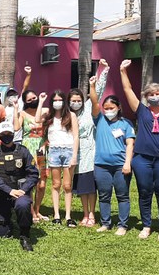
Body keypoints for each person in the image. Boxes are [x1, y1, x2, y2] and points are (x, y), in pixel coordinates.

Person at [119, 60, 159, 241]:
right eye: (151, 94)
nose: (155, 96)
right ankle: (146, 226)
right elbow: (127, 90)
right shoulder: (141, 111)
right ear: (147, 97)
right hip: (142, 160)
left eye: (158, 93)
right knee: (144, 192)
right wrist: (123, 71)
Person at [0, 122, 39, 251]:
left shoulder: (23, 151)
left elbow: (33, 174)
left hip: (20, 192)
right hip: (1, 194)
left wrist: (23, 190)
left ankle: (25, 234)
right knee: (1, 234)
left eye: (9, 134)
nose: (6, 136)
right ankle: (1, 219)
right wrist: (9, 190)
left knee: (23, 204)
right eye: (3, 134)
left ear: (13, 135)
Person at [89, 87, 135, 235]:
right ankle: (105, 223)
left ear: (118, 107)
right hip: (101, 165)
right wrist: (92, 86)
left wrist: (127, 163)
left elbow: (130, 144)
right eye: (106, 108)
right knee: (104, 195)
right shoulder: (100, 119)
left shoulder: (126, 123)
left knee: (122, 195)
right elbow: (94, 103)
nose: (109, 111)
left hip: (120, 166)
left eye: (112, 108)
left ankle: (123, 225)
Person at [70, 60, 110, 226]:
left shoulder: (87, 108)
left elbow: (98, 93)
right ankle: (84, 214)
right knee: (81, 187)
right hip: (75, 154)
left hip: (91, 150)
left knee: (90, 186)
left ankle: (92, 214)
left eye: (79, 99)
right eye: (73, 100)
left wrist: (103, 70)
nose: (76, 102)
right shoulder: (68, 115)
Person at [38, 90, 79, 227]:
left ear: (64, 101)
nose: (57, 103)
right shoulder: (48, 116)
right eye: (54, 100)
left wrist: (74, 155)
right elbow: (38, 119)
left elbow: (76, 136)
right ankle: (56, 214)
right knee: (56, 184)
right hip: (54, 151)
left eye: (59, 100)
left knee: (67, 185)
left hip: (68, 150)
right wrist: (41, 101)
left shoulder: (71, 115)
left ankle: (68, 215)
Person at [16, 89, 49, 222]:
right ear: (25, 102)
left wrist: (41, 102)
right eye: (29, 100)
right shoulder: (22, 113)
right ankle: (31, 212)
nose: (32, 101)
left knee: (42, 183)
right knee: (29, 182)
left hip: (41, 149)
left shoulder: (45, 111)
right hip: (28, 150)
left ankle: (37, 209)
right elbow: (17, 128)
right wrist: (15, 109)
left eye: (34, 98)